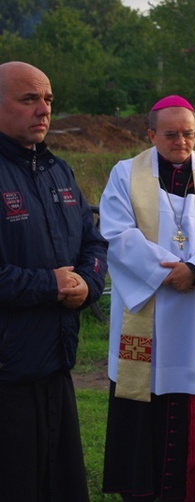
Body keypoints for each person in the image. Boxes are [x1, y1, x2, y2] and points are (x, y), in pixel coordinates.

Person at [99, 95, 195, 501]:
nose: (181, 142)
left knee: (194, 395)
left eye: (189, 133)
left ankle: (193, 485)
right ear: (150, 134)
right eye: (171, 134)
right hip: (148, 308)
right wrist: (172, 270)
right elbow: (117, 234)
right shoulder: (124, 174)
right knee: (142, 400)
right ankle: (140, 488)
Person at [0, 61, 109, 500]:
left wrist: (87, 283)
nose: (43, 110)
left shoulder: (58, 171)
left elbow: (94, 242)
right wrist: (49, 285)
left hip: (57, 363)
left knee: (57, 484)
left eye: (47, 100)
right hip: (7, 374)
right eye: (29, 99)